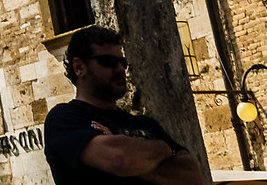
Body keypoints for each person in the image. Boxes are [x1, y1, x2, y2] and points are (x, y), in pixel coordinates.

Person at [43, 26, 208, 185]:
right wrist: (164, 151)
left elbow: (192, 177)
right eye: (108, 61)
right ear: (79, 67)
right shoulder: (64, 119)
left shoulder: (146, 124)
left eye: (123, 62)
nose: (120, 69)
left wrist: (142, 154)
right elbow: (121, 160)